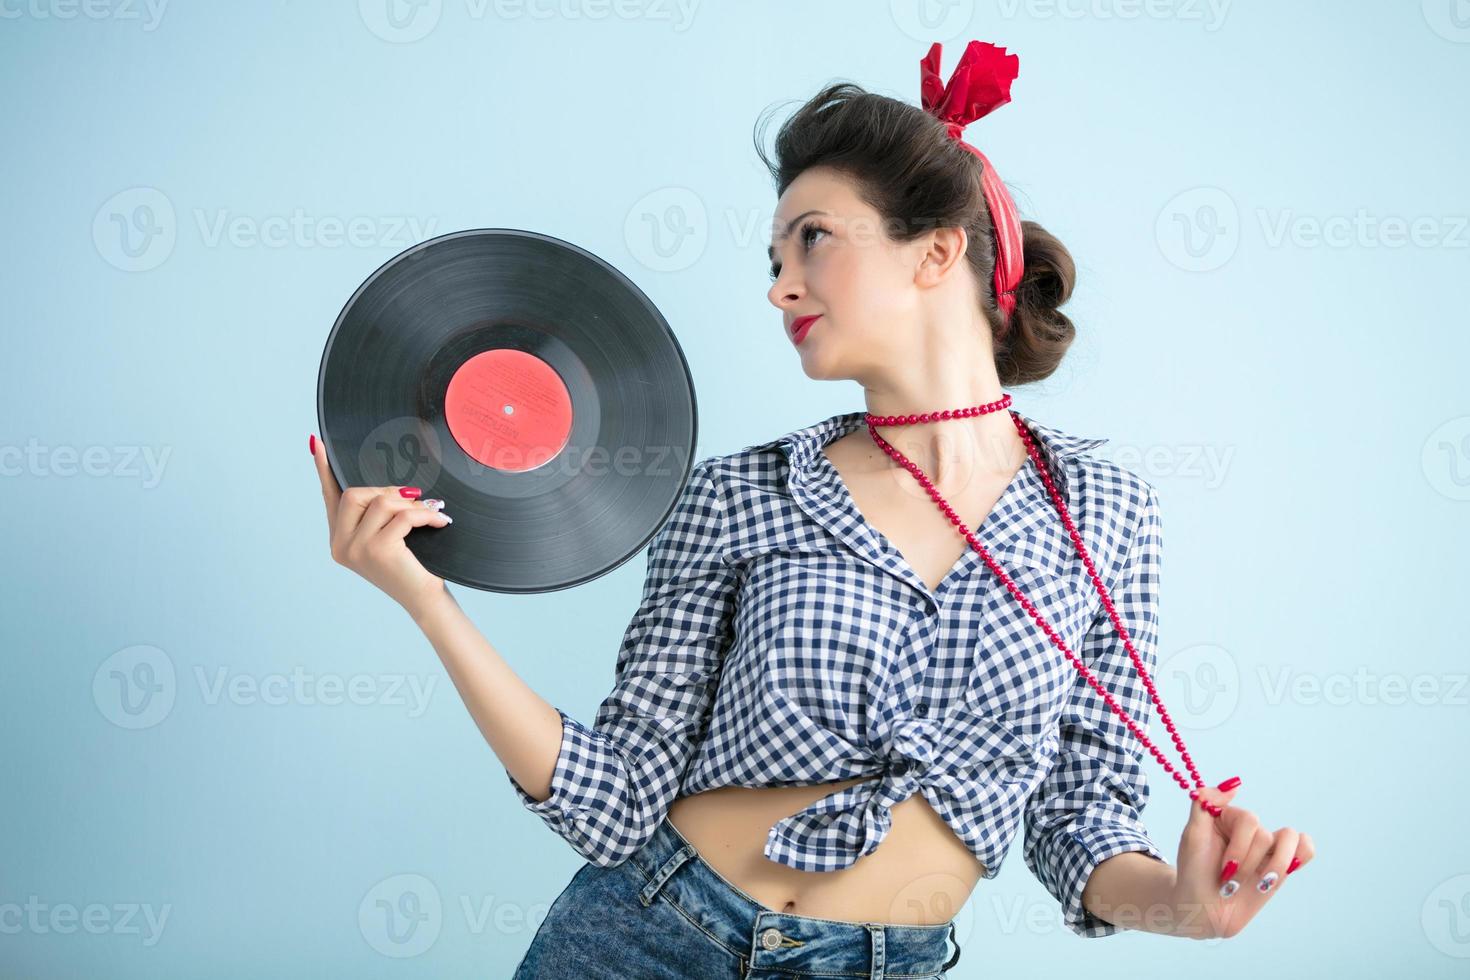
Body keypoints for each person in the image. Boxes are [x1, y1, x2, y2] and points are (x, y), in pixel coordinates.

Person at [309, 40, 1314, 980]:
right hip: (647, 933)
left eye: (812, 242)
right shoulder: (738, 492)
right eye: (773, 260)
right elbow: (616, 806)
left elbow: (1078, 820)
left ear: (934, 254)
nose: (781, 287)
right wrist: (425, 600)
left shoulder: (1105, 510)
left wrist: (1186, 907)